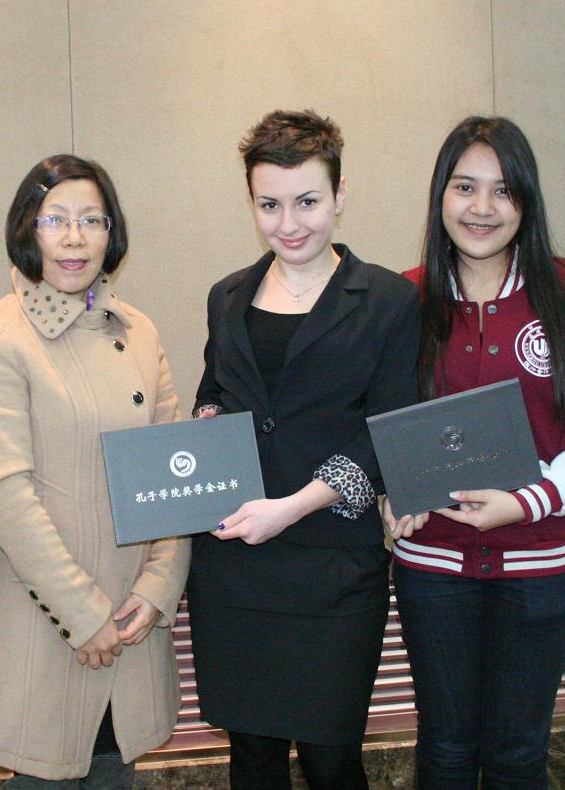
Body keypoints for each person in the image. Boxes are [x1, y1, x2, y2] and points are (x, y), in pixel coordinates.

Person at [385, 116, 565, 789]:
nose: (482, 207)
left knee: (518, 753)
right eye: (465, 186)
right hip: (433, 569)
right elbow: (378, 422)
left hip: (541, 567)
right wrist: (391, 493)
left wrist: (531, 499)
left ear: (526, 200)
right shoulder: (404, 298)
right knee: (443, 749)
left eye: (502, 190)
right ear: (441, 195)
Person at [189, 110, 420, 790]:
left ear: (340, 195)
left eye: (307, 202)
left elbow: (387, 428)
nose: (289, 223)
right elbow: (214, 393)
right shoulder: (228, 295)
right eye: (270, 205)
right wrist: (205, 431)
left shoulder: (387, 299)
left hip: (333, 564)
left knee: (331, 758)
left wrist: (291, 506)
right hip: (235, 566)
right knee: (252, 757)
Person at [0, 155, 190, 789]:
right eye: (54, 219)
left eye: (92, 220)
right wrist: (82, 614)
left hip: (132, 629)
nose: (74, 237)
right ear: (27, 231)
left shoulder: (140, 332)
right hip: (49, 628)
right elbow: (5, 496)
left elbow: (175, 476)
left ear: (111, 233)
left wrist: (159, 586)